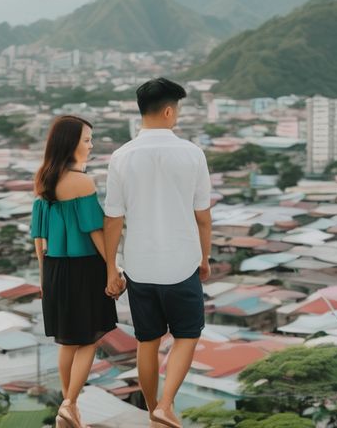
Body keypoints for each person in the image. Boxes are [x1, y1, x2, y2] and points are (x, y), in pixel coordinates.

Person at [104, 78, 213, 428]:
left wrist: (111, 268)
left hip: (139, 266)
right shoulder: (192, 154)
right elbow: (203, 218)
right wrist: (205, 258)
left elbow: (113, 220)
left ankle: (153, 413)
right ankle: (166, 405)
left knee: (146, 340)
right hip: (181, 263)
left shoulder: (120, 156)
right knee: (187, 334)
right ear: (169, 110)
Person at [31, 115, 125, 428]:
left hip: (55, 268)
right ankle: (71, 403)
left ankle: (67, 406)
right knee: (88, 340)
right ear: (71, 144)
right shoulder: (82, 182)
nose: (90, 145)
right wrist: (113, 269)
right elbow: (96, 230)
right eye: (86, 140)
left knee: (67, 341)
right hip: (84, 268)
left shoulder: (43, 180)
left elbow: (38, 236)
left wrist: (44, 277)